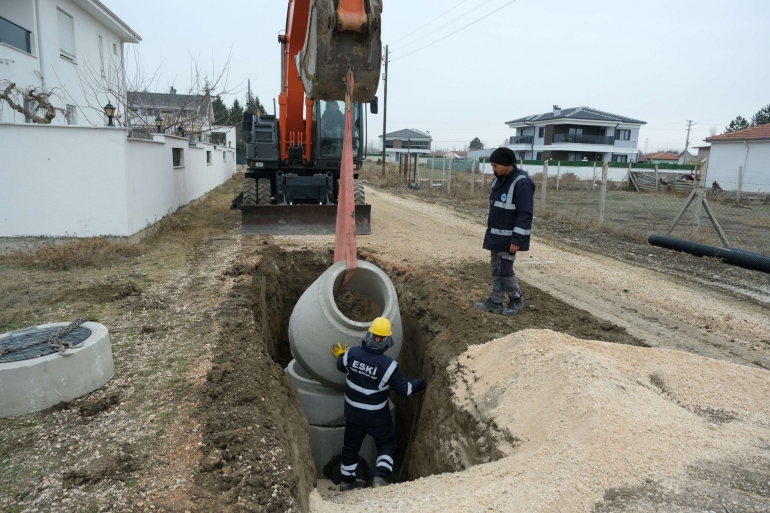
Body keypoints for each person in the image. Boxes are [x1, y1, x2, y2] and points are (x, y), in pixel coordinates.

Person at [331, 317, 427, 491]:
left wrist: (342, 355)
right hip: (377, 417)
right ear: (387, 341)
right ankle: (380, 477)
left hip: (353, 415)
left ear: (368, 336)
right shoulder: (388, 366)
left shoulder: (351, 354)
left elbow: (340, 366)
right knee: (386, 444)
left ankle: (346, 482)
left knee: (350, 448)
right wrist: (420, 383)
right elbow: (404, 391)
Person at [475, 147, 535, 316]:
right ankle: (495, 302)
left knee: (505, 270)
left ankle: (516, 299)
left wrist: (517, 239)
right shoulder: (498, 181)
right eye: (492, 165)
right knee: (496, 269)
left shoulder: (522, 182)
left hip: (510, 239)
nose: (493, 169)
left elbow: (525, 214)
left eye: (495, 165)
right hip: (496, 235)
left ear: (507, 163)